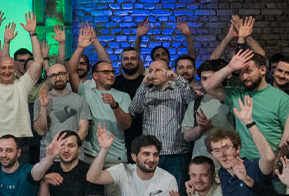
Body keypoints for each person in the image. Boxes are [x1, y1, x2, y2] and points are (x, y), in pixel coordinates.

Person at [0, 11, 45, 161]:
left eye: (10, 68)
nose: (7, 71)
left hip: (20, 142)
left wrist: (33, 34)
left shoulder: (22, 85)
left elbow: (38, 62)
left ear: (15, 69)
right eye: (3, 68)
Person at [202, 47, 289, 160]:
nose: (244, 77)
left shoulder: (282, 99)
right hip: (243, 160)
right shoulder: (236, 94)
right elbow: (208, 86)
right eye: (240, 73)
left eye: (248, 71)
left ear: (263, 70)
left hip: (270, 160)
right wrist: (230, 67)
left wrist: (278, 161)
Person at [70, 33, 133, 164]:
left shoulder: (123, 96)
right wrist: (80, 47)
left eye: (112, 72)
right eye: (106, 72)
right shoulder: (86, 90)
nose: (111, 75)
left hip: (115, 157)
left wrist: (114, 105)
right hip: (91, 157)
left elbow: (126, 124)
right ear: (95, 76)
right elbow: (71, 71)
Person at [128, 57, 196, 181]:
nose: (153, 74)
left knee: (177, 190)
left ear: (168, 71)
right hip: (152, 153)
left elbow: (192, 100)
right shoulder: (146, 92)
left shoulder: (178, 90)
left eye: (157, 70)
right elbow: (134, 110)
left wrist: (176, 78)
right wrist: (143, 84)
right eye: (150, 71)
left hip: (177, 152)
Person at [32, 60, 91, 156]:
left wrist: (68, 147)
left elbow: (84, 130)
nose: (58, 78)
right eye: (53, 75)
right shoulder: (39, 101)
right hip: (49, 156)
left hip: (74, 156)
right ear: (48, 79)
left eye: (61, 74)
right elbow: (41, 131)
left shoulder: (80, 100)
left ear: (67, 76)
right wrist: (43, 107)